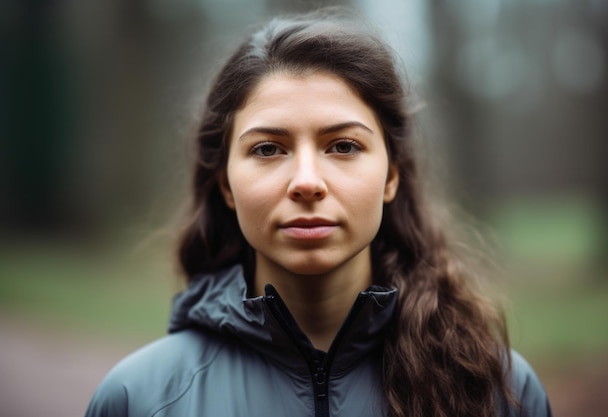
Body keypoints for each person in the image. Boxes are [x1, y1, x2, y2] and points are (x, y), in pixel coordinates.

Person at [85, 9, 552, 417]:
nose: (307, 181)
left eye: (343, 146)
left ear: (392, 175)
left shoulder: (498, 391)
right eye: (268, 149)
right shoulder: (139, 399)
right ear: (225, 183)